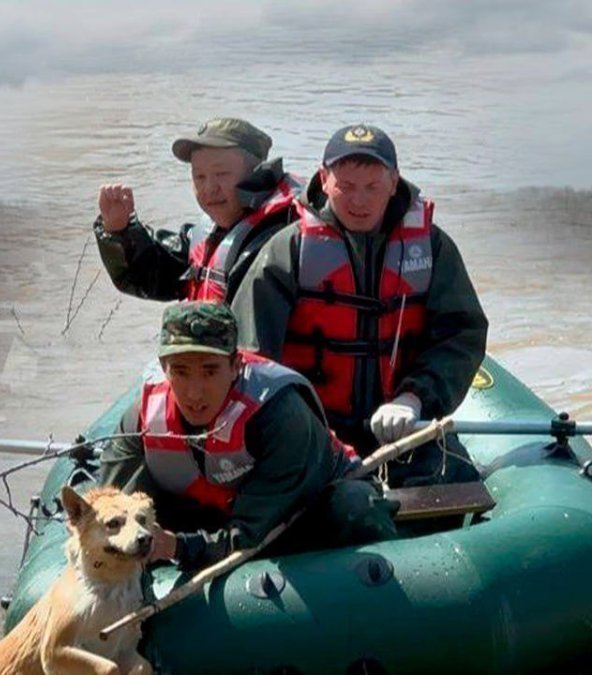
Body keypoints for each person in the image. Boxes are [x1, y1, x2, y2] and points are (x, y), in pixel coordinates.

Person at [231, 124, 487, 488]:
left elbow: (461, 336)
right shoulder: (288, 250)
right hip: (311, 432)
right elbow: (251, 357)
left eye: (372, 187)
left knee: (459, 481)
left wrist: (414, 398)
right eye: (346, 187)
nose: (359, 201)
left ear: (394, 182)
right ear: (324, 179)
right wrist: (293, 426)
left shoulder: (432, 247)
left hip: (405, 426)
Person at [98, 302, 396, 571]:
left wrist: (178, 547)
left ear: (236, 367)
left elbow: (253, 532)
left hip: (294, 514)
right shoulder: (140, 421)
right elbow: (110, 515)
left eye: (210, 371)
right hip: (211, 513)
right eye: (181, 371)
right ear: (164, 369)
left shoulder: (279, 415)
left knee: (355, 505)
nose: (195, 392)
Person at [95, 117, 303, 304]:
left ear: (259, 176)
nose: (209, 188)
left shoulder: (286, 238)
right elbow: (151, 275)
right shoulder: (204, 234)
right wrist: (119, 230)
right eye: (199, 177)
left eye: (221, 173)